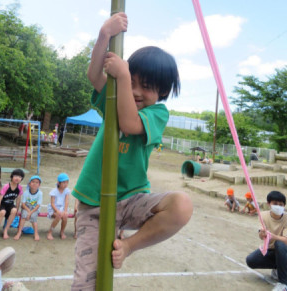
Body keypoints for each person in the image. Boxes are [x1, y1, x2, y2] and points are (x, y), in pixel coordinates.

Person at [71, 12, 193, 290]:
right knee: (86, 282)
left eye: (146, 87)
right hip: (94, 203)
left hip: (131, 198)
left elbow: (129, 122)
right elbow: (94, 75)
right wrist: (104, 35)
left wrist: (124, 75)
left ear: (162, 92)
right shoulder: (114, 97)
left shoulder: (158, 113)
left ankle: (129, 246)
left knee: (182, 205)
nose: (136, 91)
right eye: (133, 82)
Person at [246, 191, 287, 291]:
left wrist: (273, 236)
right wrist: (262, 233)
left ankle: (283, 283)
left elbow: (286, 241)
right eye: (275, 204)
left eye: (281, 204)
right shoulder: (263, 215)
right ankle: (279, 267)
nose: (278, 206)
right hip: (271, 250)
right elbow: (261, 234)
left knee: (279, 243)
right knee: (251, 260)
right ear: (269, 204)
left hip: (284, 250)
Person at [0, 169, 25, 241]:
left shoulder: (20, 188)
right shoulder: (6, 186)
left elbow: (18, 199)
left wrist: (17, 209)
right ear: (12, 177)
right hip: (2, 204)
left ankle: (5, 230)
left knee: (14, 210)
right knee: (2, 212)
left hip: (10, 204)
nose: (17, 178)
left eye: (20, 177)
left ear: (22, 179)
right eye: (16, 176)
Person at [14, 175, 42, 241]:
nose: (34, 183)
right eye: (33, 182)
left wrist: (30, 212)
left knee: (33, 217)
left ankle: (36, 233)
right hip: (26, 207)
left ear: (39, 185)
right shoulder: (26, 192)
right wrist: (28, 211)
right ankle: (19, 232)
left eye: (37, 182)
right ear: (29, 184)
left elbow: (38, 205)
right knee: (23, 216)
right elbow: (23, 204)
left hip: (35, 209)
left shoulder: (40, 193)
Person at [47, 173, 70, 240]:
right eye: (63, 182)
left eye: (67, 182)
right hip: (54, 209)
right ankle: (50, 232)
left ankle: (62, 232)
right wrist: (57, 211)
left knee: (65, 216)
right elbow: (52, 204)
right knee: (58, 216)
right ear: (58, 183)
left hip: (62, 208)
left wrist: (65, 211)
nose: (65, 184)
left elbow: (66, 201)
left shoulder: (67, 191)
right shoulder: (54, 191)